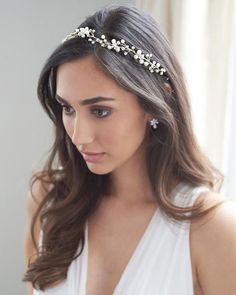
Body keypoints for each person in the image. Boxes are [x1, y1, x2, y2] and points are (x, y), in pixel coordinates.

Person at [22, 3, 236, 295]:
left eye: (99, 111)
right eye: (67, 108)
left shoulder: (213, 229)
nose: (79, 136)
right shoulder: (49, 202)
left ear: (156, 100)